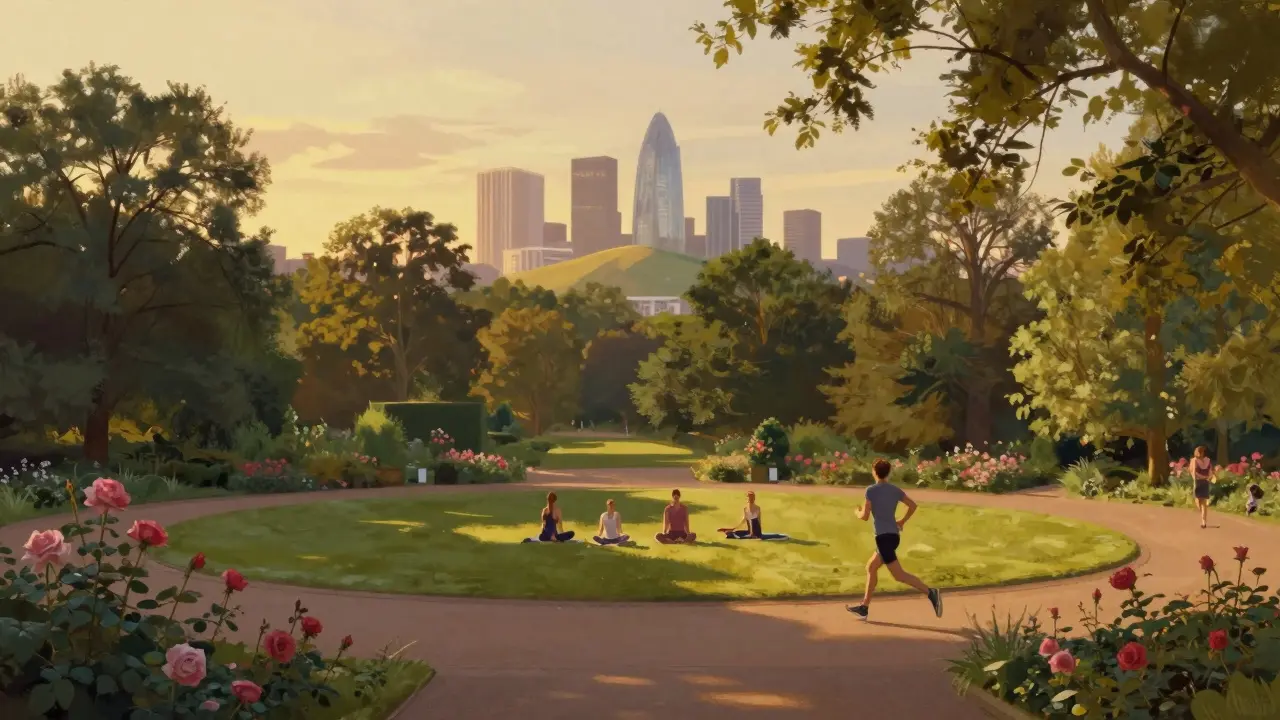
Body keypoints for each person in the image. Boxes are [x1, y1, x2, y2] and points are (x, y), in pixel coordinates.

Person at [846, 459, 943, 621]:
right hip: (893, 536)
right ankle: (864, 607)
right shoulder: (895, 490)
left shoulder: (871, 491)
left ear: (874, 472)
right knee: (871, 567)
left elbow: (864, 516)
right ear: (889, 472)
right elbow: (912, 505)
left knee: (899, 575)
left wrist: (857, 511)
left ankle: (931, 593)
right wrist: (902, 521)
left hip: (883, 539)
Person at [719, 491, 788, 540]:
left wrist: (754, 532)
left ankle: (732, 534)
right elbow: (744, 520)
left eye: (751, 498)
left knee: (747, 536)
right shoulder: (745, 508)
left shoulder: (757, 508)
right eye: (749, 498)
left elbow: (758, 520)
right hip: (750, 529)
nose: (750, 499)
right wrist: (734, 528)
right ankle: (731, 533)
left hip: (756, 530)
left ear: (753, 499)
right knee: (738, 532)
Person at [1192, 445, 1214, 529]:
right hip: (1204, 481)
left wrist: (1206, 477)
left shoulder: (1196, 461)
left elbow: (1195, 473)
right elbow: (1210, 471)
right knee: (1202, 502)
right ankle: (1203, 520)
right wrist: (1208, 477)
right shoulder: (1205, 460)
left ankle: (1203, 520)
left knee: (1200, 501)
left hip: (1199, 482)